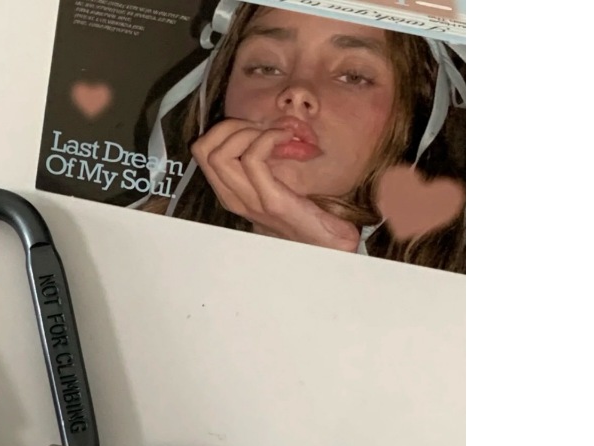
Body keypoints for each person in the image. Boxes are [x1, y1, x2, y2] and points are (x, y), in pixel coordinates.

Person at [137, 1, 466, 274]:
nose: (297, 92)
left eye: (352, 76)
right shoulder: (135, 247)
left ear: (415, 109)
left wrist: (326, 269)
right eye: (267, 67)